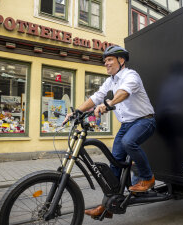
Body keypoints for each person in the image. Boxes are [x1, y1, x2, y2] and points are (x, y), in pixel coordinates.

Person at [63, 45, 156, 218]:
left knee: (129, 142)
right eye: (105, 61)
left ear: (121, 61)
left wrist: (108, 104)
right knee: (115, 161)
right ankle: (108, 205)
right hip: (127, 124)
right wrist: (77, 112)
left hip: (144, 120)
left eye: (110, 60)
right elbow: (97, 96)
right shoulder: (110, 80)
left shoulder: (130, 75)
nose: (106, 64)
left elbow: (124, 93)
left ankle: (147, 177)